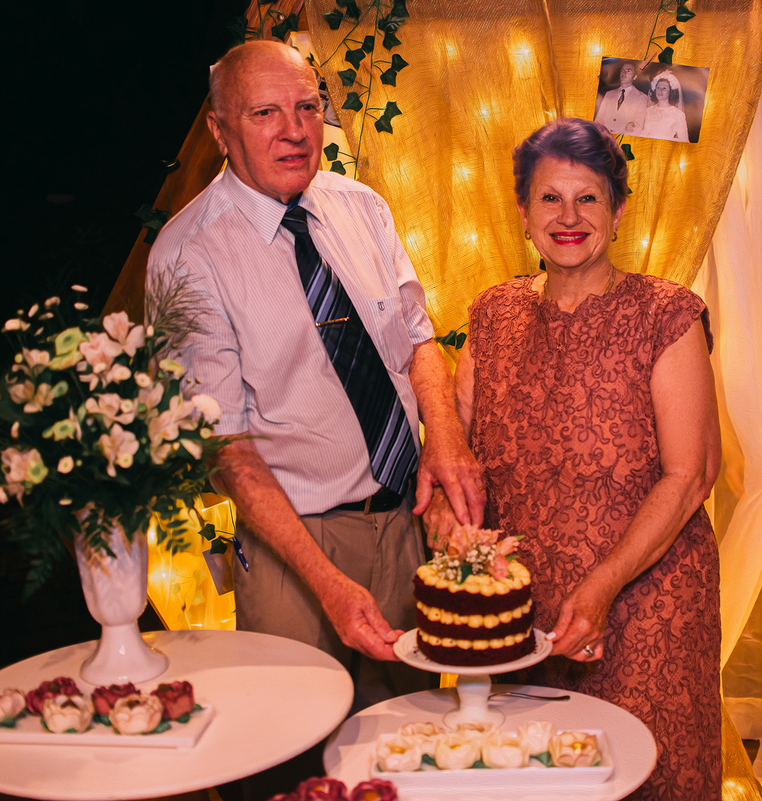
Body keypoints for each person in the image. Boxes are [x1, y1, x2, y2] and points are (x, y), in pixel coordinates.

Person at [146, 40, 485, 708]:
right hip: (294, 547)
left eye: (307, 107)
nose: (296, 131)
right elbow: (225, 448)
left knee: (410, 732)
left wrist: (445, 437)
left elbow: (418, 340)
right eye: (265, 113)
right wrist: (326, 581)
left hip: (405, 524)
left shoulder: (362, 207)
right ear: (219, 130)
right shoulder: (187, 256)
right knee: (296, 735)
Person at [426, 117, 722, 799]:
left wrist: (604, 585)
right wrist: (446, 512)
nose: (568, 217)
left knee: (648, 776)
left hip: (649, 601)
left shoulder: (666, 314)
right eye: (549, 198)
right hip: (525, 613)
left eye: (587, 198)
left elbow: (691, 476)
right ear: (523, 211)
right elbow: (456, 454)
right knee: (532, 775)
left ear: (617, 212)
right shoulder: (492, 314)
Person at [594, 61, 647, 136]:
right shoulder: (609, 94)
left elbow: (638, 125)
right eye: (622, 70)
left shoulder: (641, 97)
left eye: (628, 71)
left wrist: (630, 127)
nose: (624, 73)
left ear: (634, 77)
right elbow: (599, 119)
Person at [641, 71, 691, 142]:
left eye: (664, 88)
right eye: (658, 87)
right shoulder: (648, 111)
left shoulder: (678, 114)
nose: (660, 91)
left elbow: (684, 140)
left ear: (670, 91)